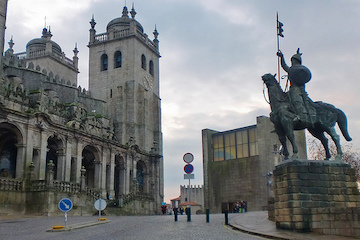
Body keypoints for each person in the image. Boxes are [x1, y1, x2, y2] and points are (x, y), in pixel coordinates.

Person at [276, 48, 315, 125]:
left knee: (296, 100)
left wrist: (282, 57)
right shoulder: (292, 69)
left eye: (293, 60)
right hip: (292, 90)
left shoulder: (298, 70)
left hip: (298, 90)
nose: (292, 62)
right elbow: (284, 66)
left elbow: (284, 66)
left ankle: (300, 116)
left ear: (296, 61)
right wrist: (282, 57)